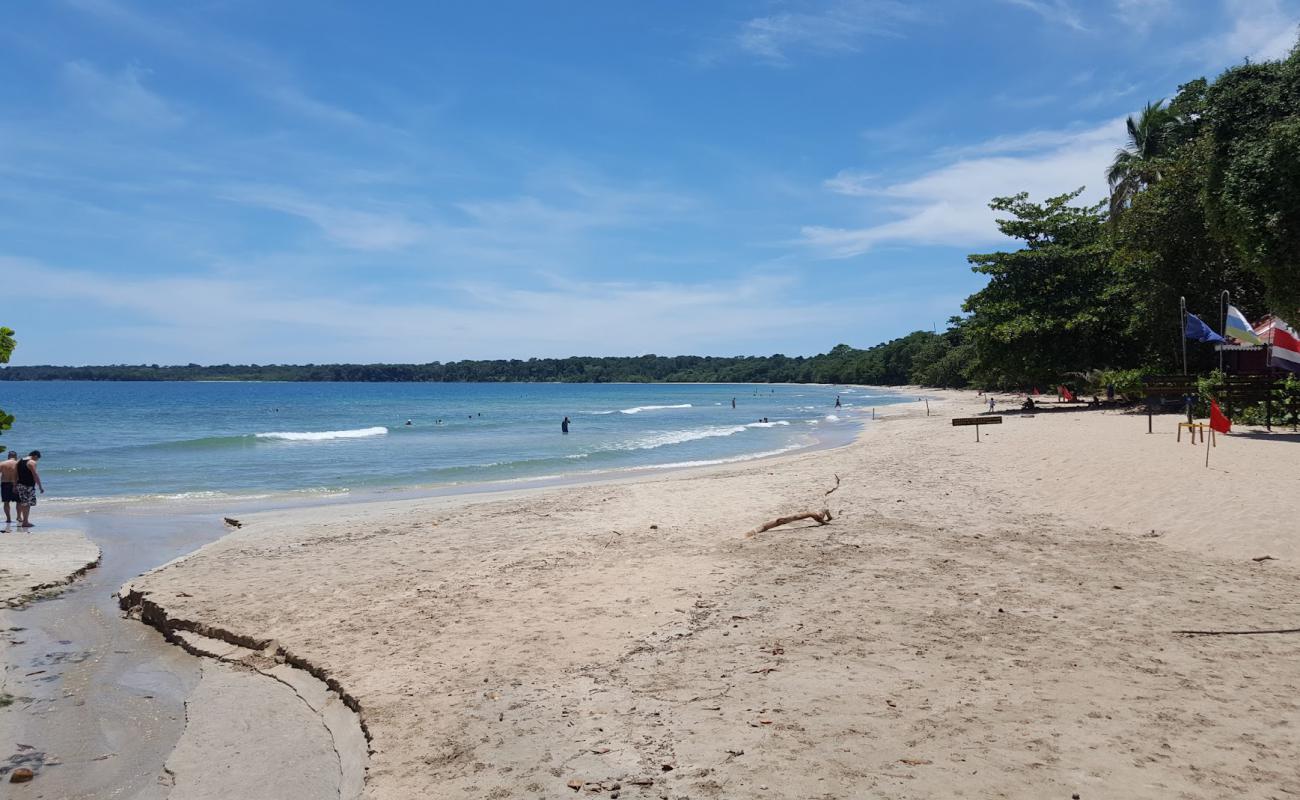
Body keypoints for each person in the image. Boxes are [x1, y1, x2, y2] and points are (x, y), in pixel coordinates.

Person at [15, 451, 42, 529]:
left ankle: (25, 521)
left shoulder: (19, 461)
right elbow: (35, 474)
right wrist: (40, 486)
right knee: (28, 504)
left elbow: (15, 473)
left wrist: (14, 484)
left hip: (20, 485)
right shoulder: (32, 462)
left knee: (24, 503)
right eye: (37, 459)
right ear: (36, 456)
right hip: (28, 486)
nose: (37, 461)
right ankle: (25, 522)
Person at [0, 451, 17, 525]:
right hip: (16, 484)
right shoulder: (18, 463)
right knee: (19, 502)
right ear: (15, 456)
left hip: (5, 483)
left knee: (6, 502)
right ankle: (19, 517)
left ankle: (8, 518)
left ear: (8, 456)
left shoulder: (2, 463)